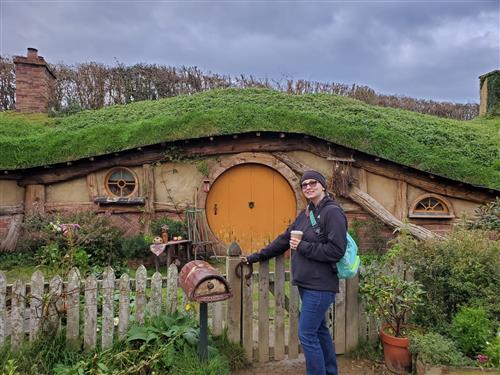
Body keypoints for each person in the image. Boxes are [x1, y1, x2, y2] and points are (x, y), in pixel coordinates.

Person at [241, 170, 347, 375]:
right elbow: (284, 240)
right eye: (304, 184)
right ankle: (330, 371)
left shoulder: (332, 212)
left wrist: (302, 246)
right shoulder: (307, 213)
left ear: (323, 185)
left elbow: (336, 250)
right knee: (320, 330)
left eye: (313, 183)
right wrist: (257, 256)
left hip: (321, 284)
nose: (308, 187)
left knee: (306, 334)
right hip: (308, 284)